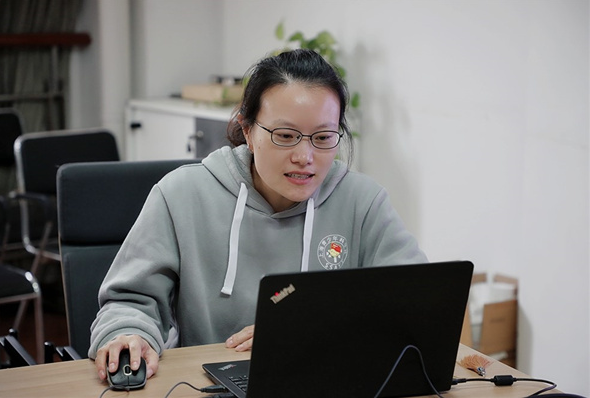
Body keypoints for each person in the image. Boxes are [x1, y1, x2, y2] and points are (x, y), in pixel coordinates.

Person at [90, 48, 427, 382]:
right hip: (208, 385)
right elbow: (129, 301)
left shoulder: (362, 202)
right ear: (248, 131)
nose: (305, 156)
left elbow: (416, 304)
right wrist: (128, 334)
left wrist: (313, 330)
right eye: (286, 136)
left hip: (326, 380)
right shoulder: (181, 195)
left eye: (323, 137)